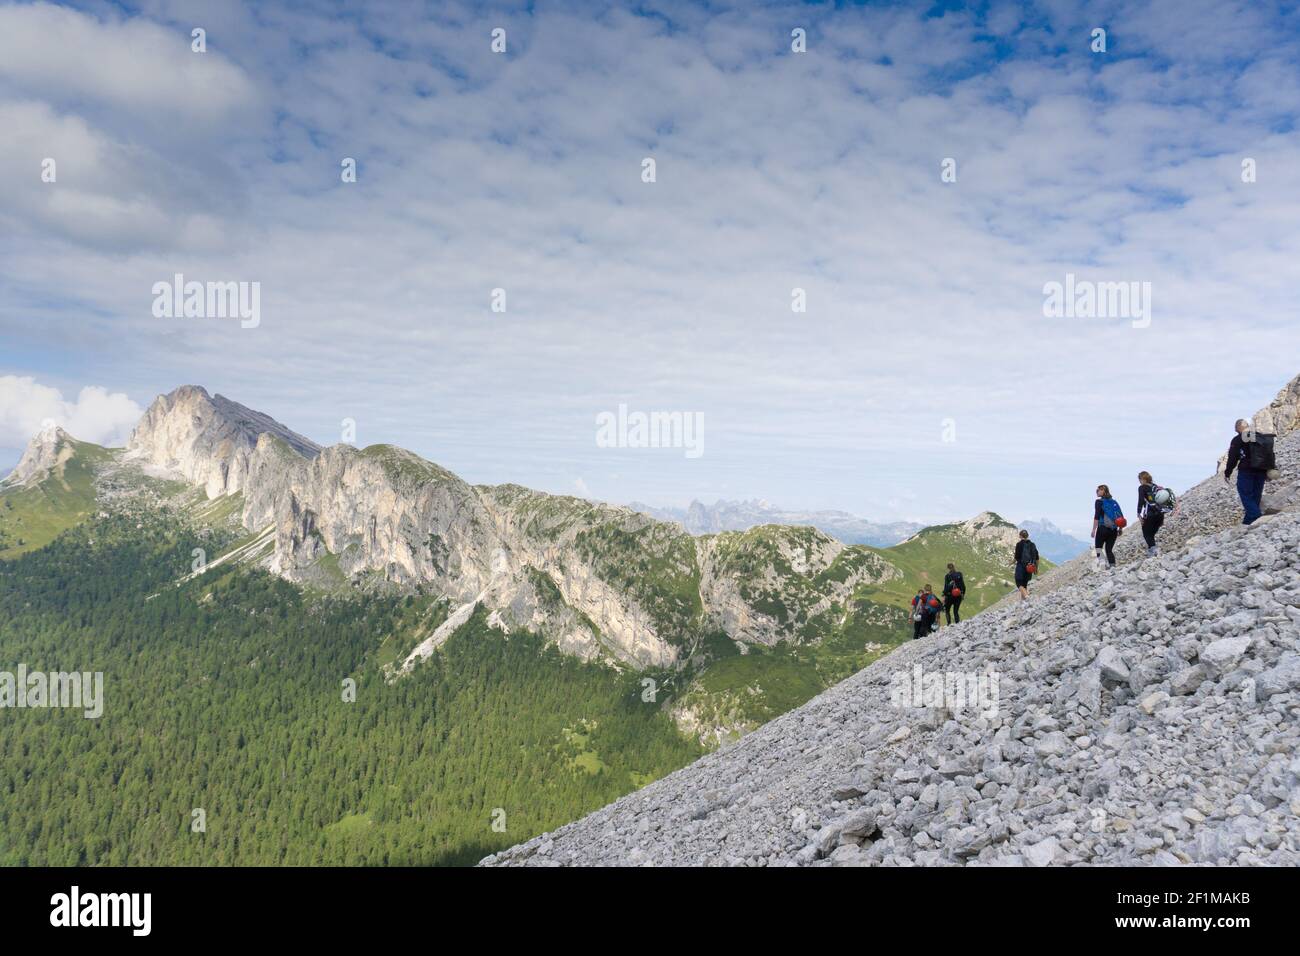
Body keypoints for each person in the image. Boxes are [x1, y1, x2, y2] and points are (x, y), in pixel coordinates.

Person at [1223, 419, 1270, 525]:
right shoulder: (1259, 436)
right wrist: (1268, 469)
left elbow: (1233, 457)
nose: (1235, 430)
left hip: (1246, 470)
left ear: (1239, 427)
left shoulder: (1237, 439)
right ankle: (1248, 522)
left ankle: (1256, 516)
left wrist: (1227, 473)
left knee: (1245, 494)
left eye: (1235, 428)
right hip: (1261, 470)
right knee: (1256, 495)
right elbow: (1268, 453)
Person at [1136, 471, 1174, 556]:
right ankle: (1152, 553)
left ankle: (1154, 551)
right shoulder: (1156, 487)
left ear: (1143, 479)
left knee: (1146, 533)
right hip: (1160, 514)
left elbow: (1141, 501)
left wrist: (1139, 514)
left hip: (1150, 513)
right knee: (1151, 534)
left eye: (1140, 479)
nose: (1139, 481)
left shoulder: (1142, 487)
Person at [1092, 484, 1123, 568]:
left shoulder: (1099, 502)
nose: (1097, 491)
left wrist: (1094, 530)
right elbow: (1120, 516)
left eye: (1098, 490)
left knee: (1098, 547)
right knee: (1109, 549)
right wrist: (1120, 529)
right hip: (1113, 530)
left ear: (1103, 491)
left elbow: (1097, 516)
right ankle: (1113, 567)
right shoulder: (1114, 502)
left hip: (1102, 528)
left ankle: (1103, 564)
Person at [1013, 530, 1038, 601]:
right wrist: (1036, 568)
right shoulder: (1032, 544)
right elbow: (1037, 558)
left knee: (1019, 583)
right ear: (1027, 536)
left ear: (1020, 536)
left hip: (1021, 566)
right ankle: (1024, 602)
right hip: (1030, 567)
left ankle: (1027, 597)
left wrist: (1011, 563)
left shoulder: (1019, 544)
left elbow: (1016, 557)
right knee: (1025, 584)